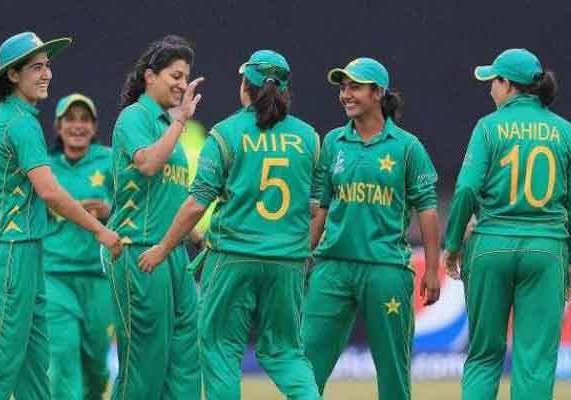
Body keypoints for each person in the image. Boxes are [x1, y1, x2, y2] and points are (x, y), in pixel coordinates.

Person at [139, 49, 322, 400]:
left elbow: (196, 205)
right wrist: (302, 253)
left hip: (233, 258)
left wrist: (163, 248)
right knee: (286, 353)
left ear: (245, 86)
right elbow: (316, 210)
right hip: (287, 263)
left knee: (220, 348)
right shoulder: (309, 138)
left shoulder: (226, 134)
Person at [0, 32, 121, 400]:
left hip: (21, 250)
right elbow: (49, 192)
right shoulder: (20, 123)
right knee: (3, 359)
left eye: (47, 66)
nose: (47, 74)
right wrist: (99, 230)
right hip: (11, 250)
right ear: (13, 75)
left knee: (35, 364)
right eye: (36, 67)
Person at [443, 48, 571, 400]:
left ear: (508, 84)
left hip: (490, 246)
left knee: (484, 356)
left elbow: (466, 189)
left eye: (494, 81)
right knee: (534, 360)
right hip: (546, 250)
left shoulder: (488, 127)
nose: (490, 88)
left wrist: (453, 244)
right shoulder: (565, 131)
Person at [301, 57, 441, 400]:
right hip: (332, 267)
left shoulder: (407, 147)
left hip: (386, 268)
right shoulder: (333, 142)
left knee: (393, 371)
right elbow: (321, 207)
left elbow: (427, 209)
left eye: (355, 87)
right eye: (343, 87)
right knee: (305, 366)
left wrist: (432, 270)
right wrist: (303, 256)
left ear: (378, 93)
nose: (345, 95)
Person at [102, 34, 202, 399]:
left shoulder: (165, 125)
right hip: (139, 252)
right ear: (150, 76)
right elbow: (147, 165)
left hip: (173, 254)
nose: (182, 84)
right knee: (144, 364)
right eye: (175, 75)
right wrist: (180, 122)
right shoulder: (135, 116)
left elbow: (170, 195)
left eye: (185, 77)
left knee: (186, 358)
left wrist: (198, 237)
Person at [43, 93, 115, 399]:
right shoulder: (43, 167)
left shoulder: (110, 160)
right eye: (69, 119)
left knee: (97, 367)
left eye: (85, 119)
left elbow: (133, 203)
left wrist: (110, 211)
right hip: (54, 275)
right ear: (58, 127)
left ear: (95, 127)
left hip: (99, 277)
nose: (77, 125)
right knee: (62, 356)